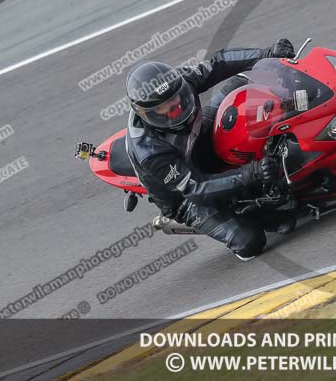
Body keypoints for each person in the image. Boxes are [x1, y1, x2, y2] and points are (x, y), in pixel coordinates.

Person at [124, 39, 295, 260]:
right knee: (249, 242)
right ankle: (261, 215)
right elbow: (195, 187)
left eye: (176, 102)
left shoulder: (179, 81)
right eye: (163, 111)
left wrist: (267, 53)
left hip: (199, 137)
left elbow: (218, 64)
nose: (174, 112)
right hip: (186, 195)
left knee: (243, 83)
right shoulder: (150, 151)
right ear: (145, 113)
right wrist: (249, 174)